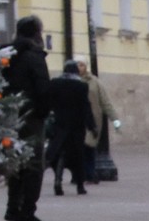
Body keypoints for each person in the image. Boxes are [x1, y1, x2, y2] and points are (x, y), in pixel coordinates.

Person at [3, 15, 51, 221]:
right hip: (31, 118)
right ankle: (27, 211)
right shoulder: (34, 56)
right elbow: (43, 89)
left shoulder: (6, 55)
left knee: (15, 164)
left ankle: (12, 208)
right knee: (33, 165)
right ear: (36, 33)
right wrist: (43, 112)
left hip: (8, 116)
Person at [43, 61, 94, 196]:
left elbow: (48, 102)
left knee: (59, 154)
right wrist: (91, 125)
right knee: (78, 156)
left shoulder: (55, 83)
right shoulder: (81, 86)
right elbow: (85, 107)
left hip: (59, 125)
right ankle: (80, 186)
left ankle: (58, 181)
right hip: (76, 127)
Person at [81, 62, 116, 183]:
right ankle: (83, 174)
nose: (79, 68)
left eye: (82, 65)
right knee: (80, 147)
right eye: (77, 65)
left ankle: (90, 173)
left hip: (93, 119)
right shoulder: (71, 81)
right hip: (77, 120)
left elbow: (105, 101)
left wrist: (114, 119)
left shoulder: (94, 82)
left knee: (89, 146)